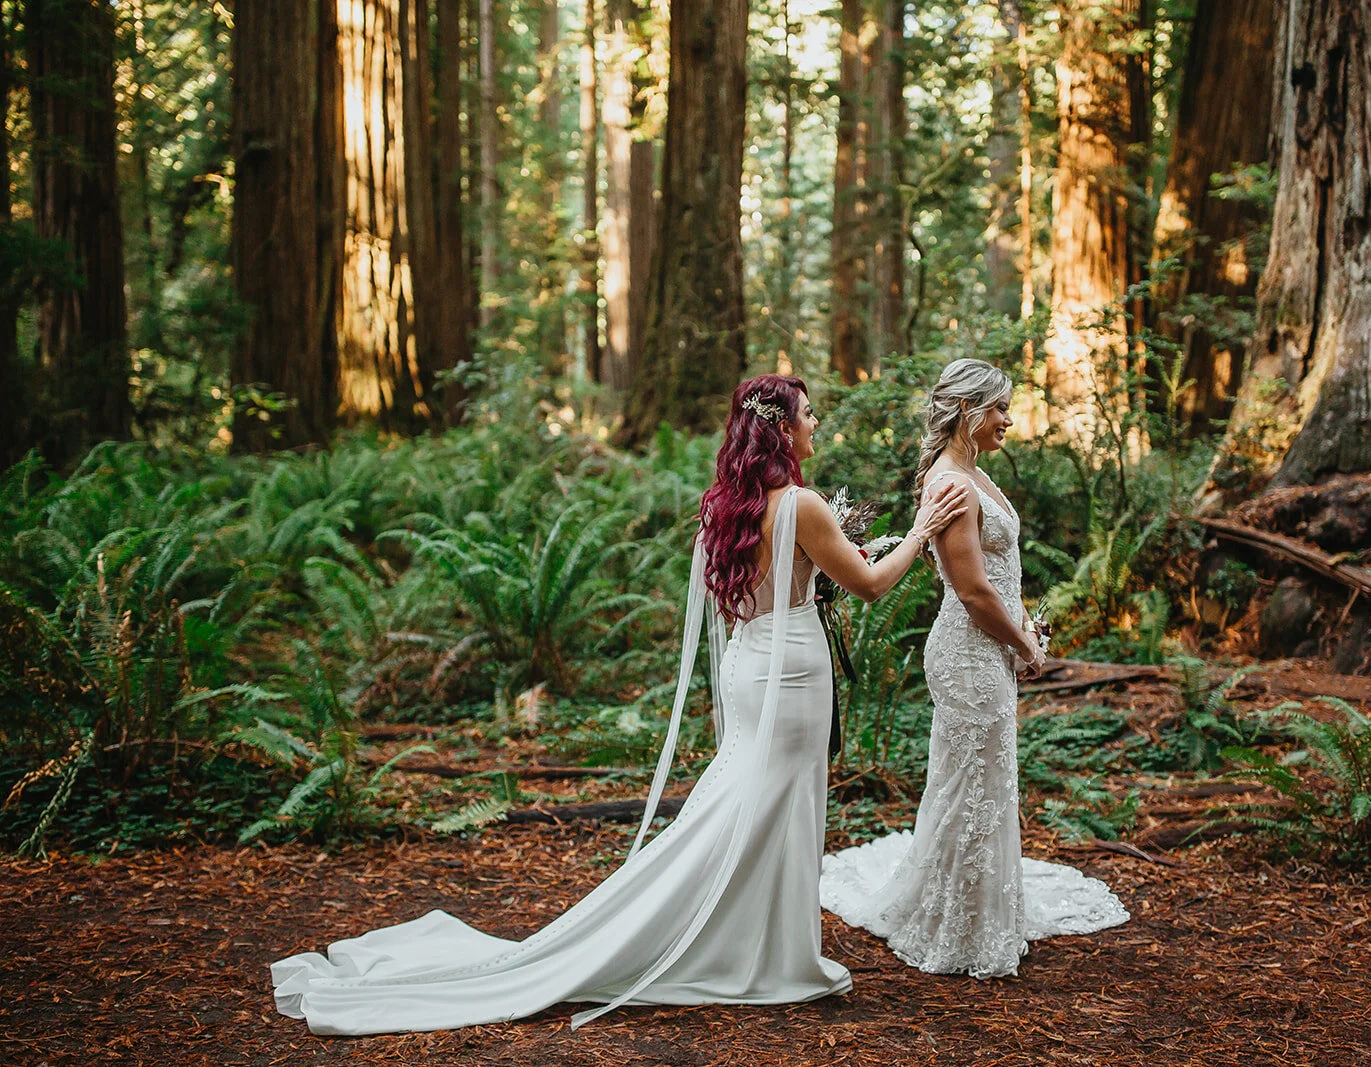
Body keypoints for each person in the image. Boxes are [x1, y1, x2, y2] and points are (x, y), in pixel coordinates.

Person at [270, 373, 967, 1035]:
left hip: (752, 666)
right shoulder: (803, 505)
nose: (817, 423)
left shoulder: (726, 505)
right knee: (770, 807)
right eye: (809, 413)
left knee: (748, 805)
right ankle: (757, 952)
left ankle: (760, 945)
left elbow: (758, 596)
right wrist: (921, 529)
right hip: (792, 677)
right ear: (783, 428)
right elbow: (871, 584)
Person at [819, 358, 1129, 978]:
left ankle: (978, 905)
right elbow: (973, 591)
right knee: (971, 786)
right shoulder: (950, 484)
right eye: (999, 409)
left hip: (986, 648)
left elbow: (998, 581)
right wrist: (1027, 646)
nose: (1009, 419)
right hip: (968, 653)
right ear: (966, 410)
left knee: (984, 784)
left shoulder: (972, 473)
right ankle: (957, 925)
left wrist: (1016, 636)